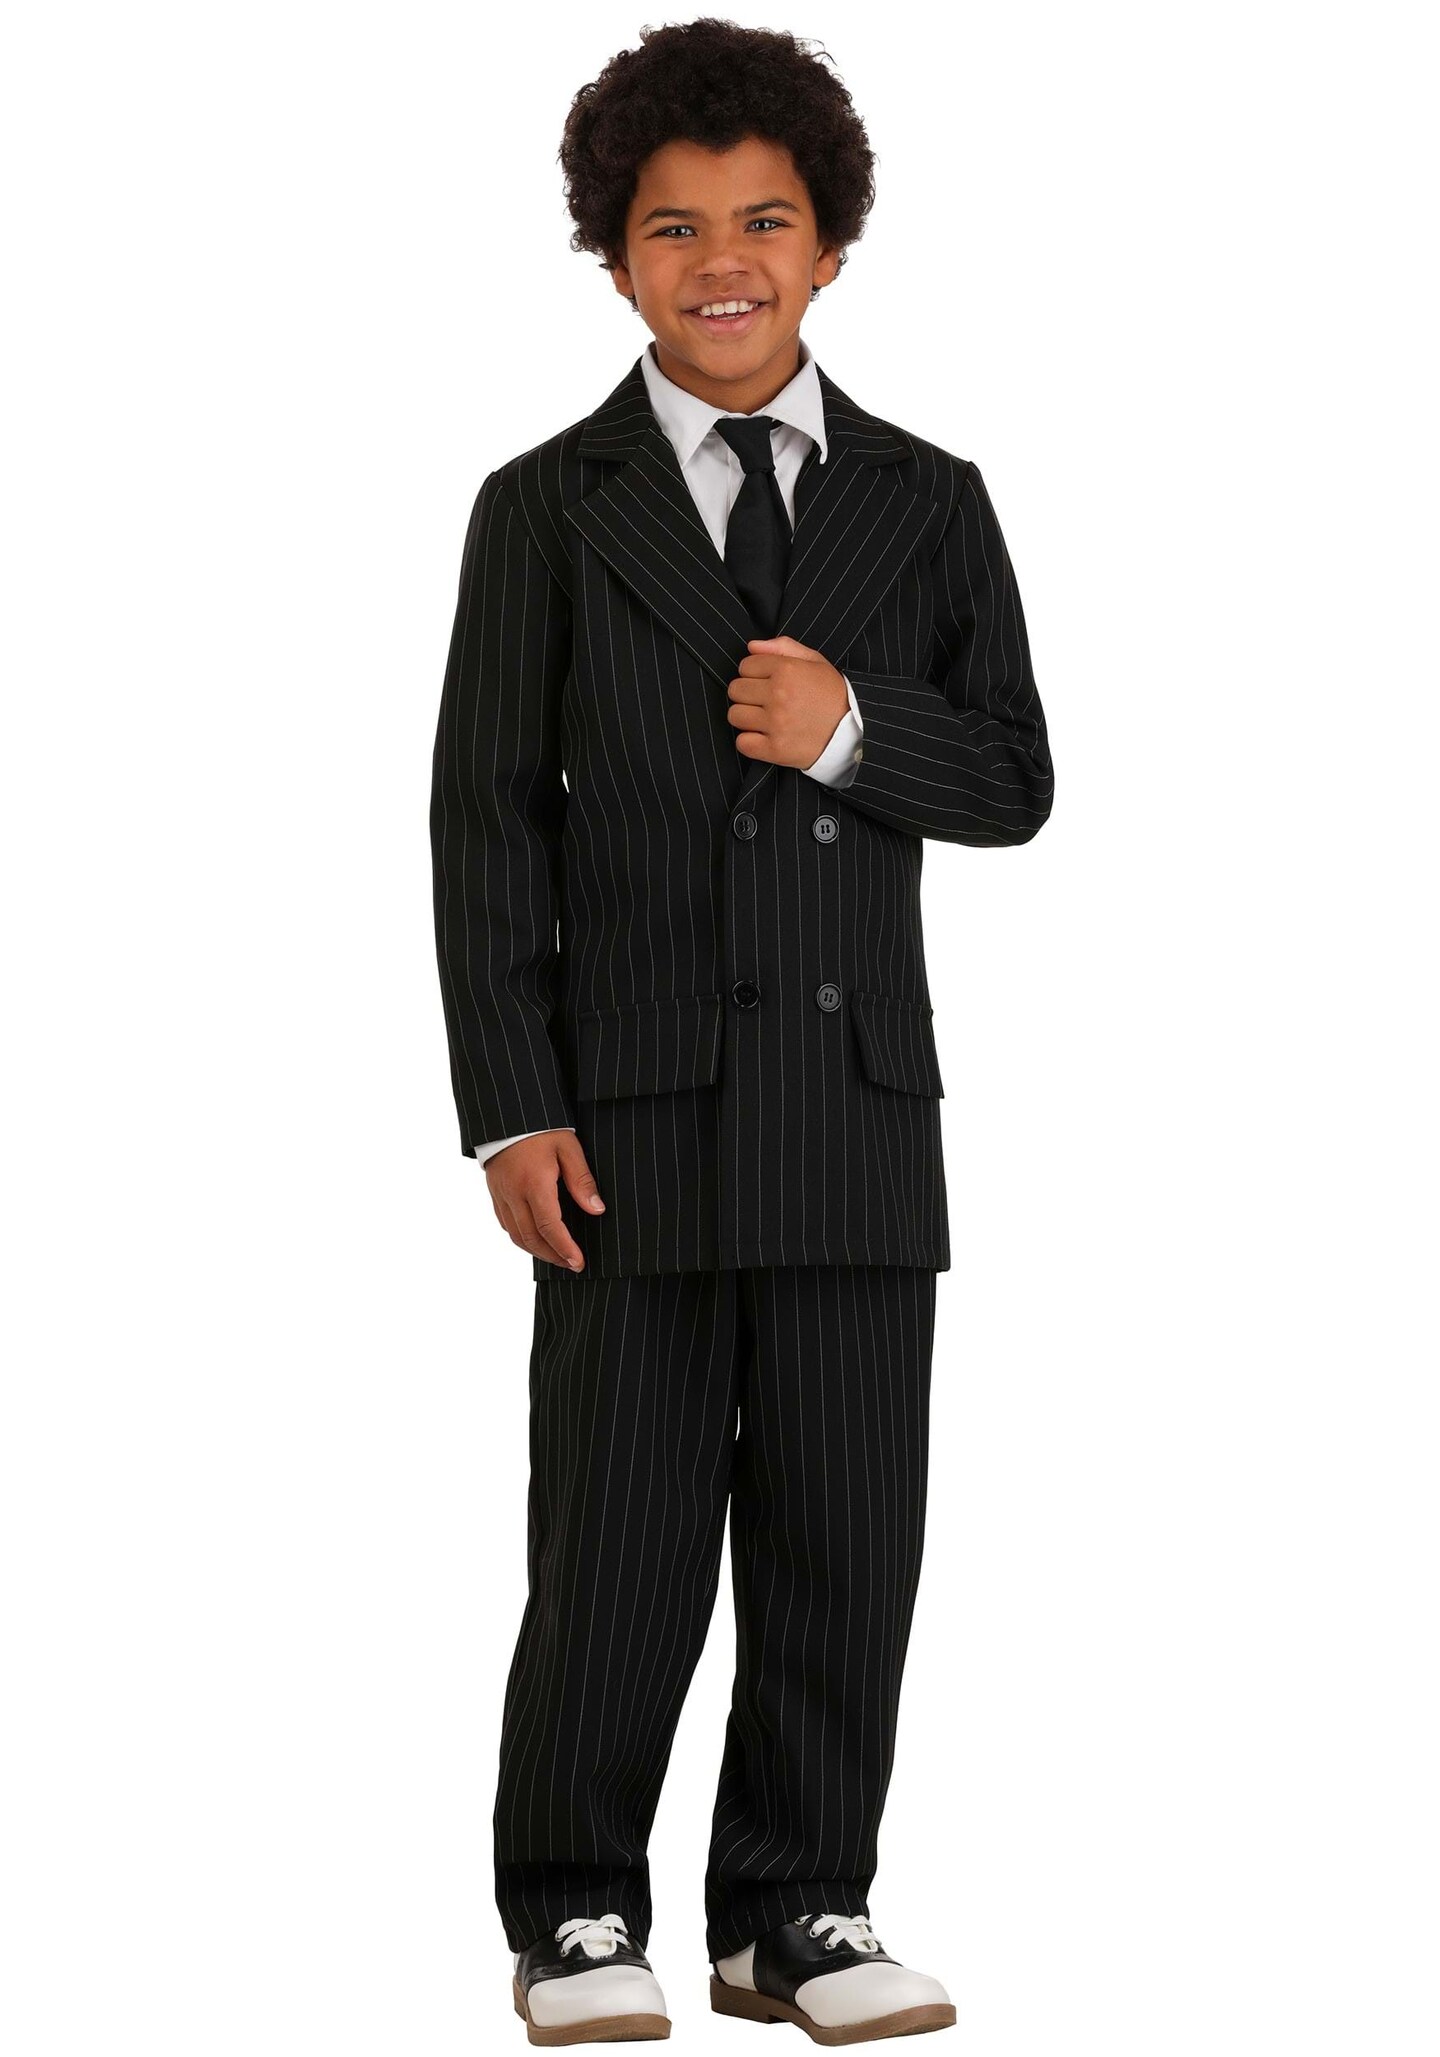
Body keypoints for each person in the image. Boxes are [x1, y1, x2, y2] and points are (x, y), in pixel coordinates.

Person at [430, 19, 1054, 2045]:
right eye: (674, 228)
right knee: (615, 1537)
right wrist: (511, 1107)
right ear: (615, 258)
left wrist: (854, 728)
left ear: (830, 245)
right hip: (632, 1116)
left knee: (843, 1538)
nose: (723, 262)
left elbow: (1018, 778)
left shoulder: (930, 500)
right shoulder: (547, 506)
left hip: (859, 1111)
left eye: (765, 222)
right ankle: (574, 1907)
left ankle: (797, 1910)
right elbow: (485, 825)